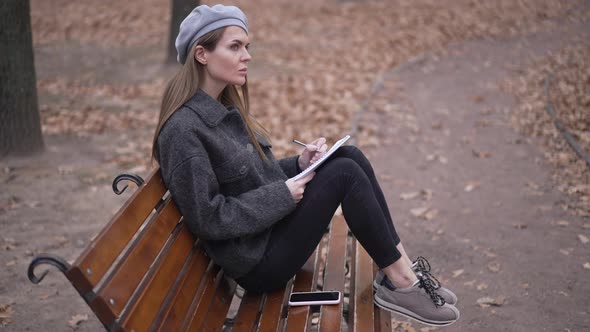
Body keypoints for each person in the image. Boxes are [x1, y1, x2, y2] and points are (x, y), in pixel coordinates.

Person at [152, 4, 459, 327]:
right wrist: (283, 195)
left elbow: (251, 178)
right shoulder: (183, 131)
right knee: (344, 174)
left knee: (348, 156)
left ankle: (402, 271)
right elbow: (209, 218)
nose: (247, 56)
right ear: (202, 54)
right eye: (235, 47)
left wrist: (299, 164)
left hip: (267, 234)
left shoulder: (222, 108)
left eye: (247, 46)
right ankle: (402, 283)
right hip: (258, 262)